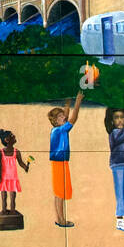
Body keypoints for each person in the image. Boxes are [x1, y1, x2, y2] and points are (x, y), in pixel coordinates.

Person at [48, 90, 85, 228]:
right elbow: (72, 119)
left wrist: (67, 104)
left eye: (62, 115)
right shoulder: (59, 130)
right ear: (55, 121)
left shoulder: (58, 129)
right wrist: (78, 101)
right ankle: (61, 220)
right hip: (59, 163)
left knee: (60, 192)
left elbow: (67, 116)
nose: (63, 116)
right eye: (60, 116)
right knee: (60, 193)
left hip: (60, 162)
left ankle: (60, 218)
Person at [0, 129, 31, 214]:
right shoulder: (0, 152)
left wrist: (26, 167)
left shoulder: (16, 152)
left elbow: (20, 162)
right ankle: (4, 210)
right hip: (3, 177)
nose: (14, 136)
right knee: (4, 196)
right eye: (12, 136)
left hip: (13, 177)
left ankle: (13, 210)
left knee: (13, 196)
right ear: (7, 140)